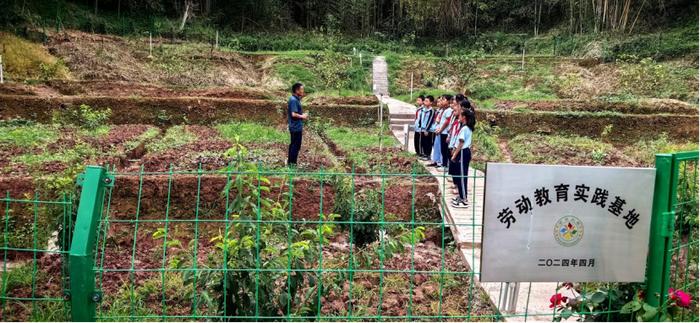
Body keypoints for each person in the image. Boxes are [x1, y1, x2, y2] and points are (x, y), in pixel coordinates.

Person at [450, 101, 475, 208]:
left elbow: (461, 143)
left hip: (463, 153)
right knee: (461, 174)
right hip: (464, 152)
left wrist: (454, 155)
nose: (458, 117)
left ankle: (464, 199)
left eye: (460, 115)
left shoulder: (465, 128)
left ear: (464, 117)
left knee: (462, 175)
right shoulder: (467, 127)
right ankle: (461, 196)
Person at [287, 82, 308, 166]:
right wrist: (303, 116)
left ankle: (291, 163)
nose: (303, 91)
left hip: (296, 126)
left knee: (294, 145)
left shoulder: (295, 99)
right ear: (297, 90)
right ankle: (292, 164)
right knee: (295, 146)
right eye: (302, 89)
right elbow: (293, 114)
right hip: (295, 127)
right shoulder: (293, 100)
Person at [434, 94, 454, 171]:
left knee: (445, 150)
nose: (441, 101)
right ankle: (444, 164)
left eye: (443, 100)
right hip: (442, 132)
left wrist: (441, 130)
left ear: (448, 101)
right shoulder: (444, 110)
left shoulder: (449, 110)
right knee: (443, 149)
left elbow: (447, 122)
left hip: (445, 132)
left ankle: (445, 165)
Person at [427, 96, 445, 167]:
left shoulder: (445, 111)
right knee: (435, 146)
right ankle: (435, 160)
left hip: (440, 130)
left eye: (440, 101)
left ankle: (440, 162)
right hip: (435, 129)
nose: (439, 103)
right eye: (438, 101)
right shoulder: (438, 111)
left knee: (440, 147)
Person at [419, 95, 436, 160]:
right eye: (424, 101)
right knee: (423, 141)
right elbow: (421, 118)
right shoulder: (423, 110)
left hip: (429, 129)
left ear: (431, 103)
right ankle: (424, 153)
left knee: (428, 142)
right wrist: (420, 126)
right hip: (422, 128)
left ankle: (428, 154)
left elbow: (430, 120)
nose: (425, 102)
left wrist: (427, 129)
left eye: (427, 101)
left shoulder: (432, 111)